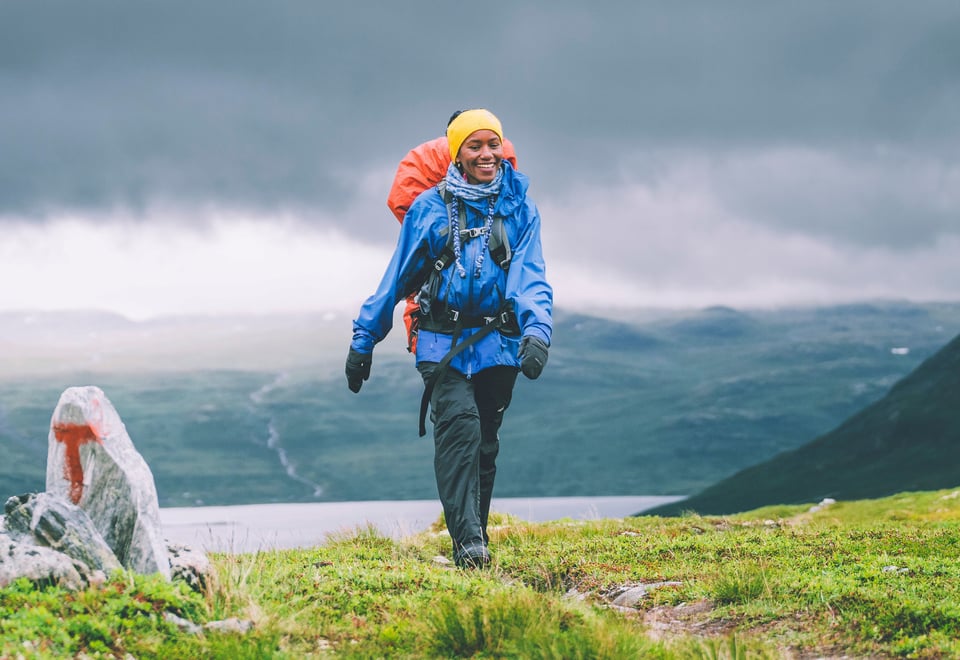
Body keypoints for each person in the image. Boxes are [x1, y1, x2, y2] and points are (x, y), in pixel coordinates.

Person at [345, 108, 553, 568]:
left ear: (503, 149)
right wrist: (364, 341)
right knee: (460, 430)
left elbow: (530, 274)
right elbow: (397, 278)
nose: (486, 154)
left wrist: (537, 330)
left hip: (498, 340)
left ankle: (473, 532)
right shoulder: (428, 209)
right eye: (474, 146)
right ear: (456, 154)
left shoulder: (520, 208)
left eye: (492, 144)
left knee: (486, 441)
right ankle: (469, 545)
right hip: (441, 341)